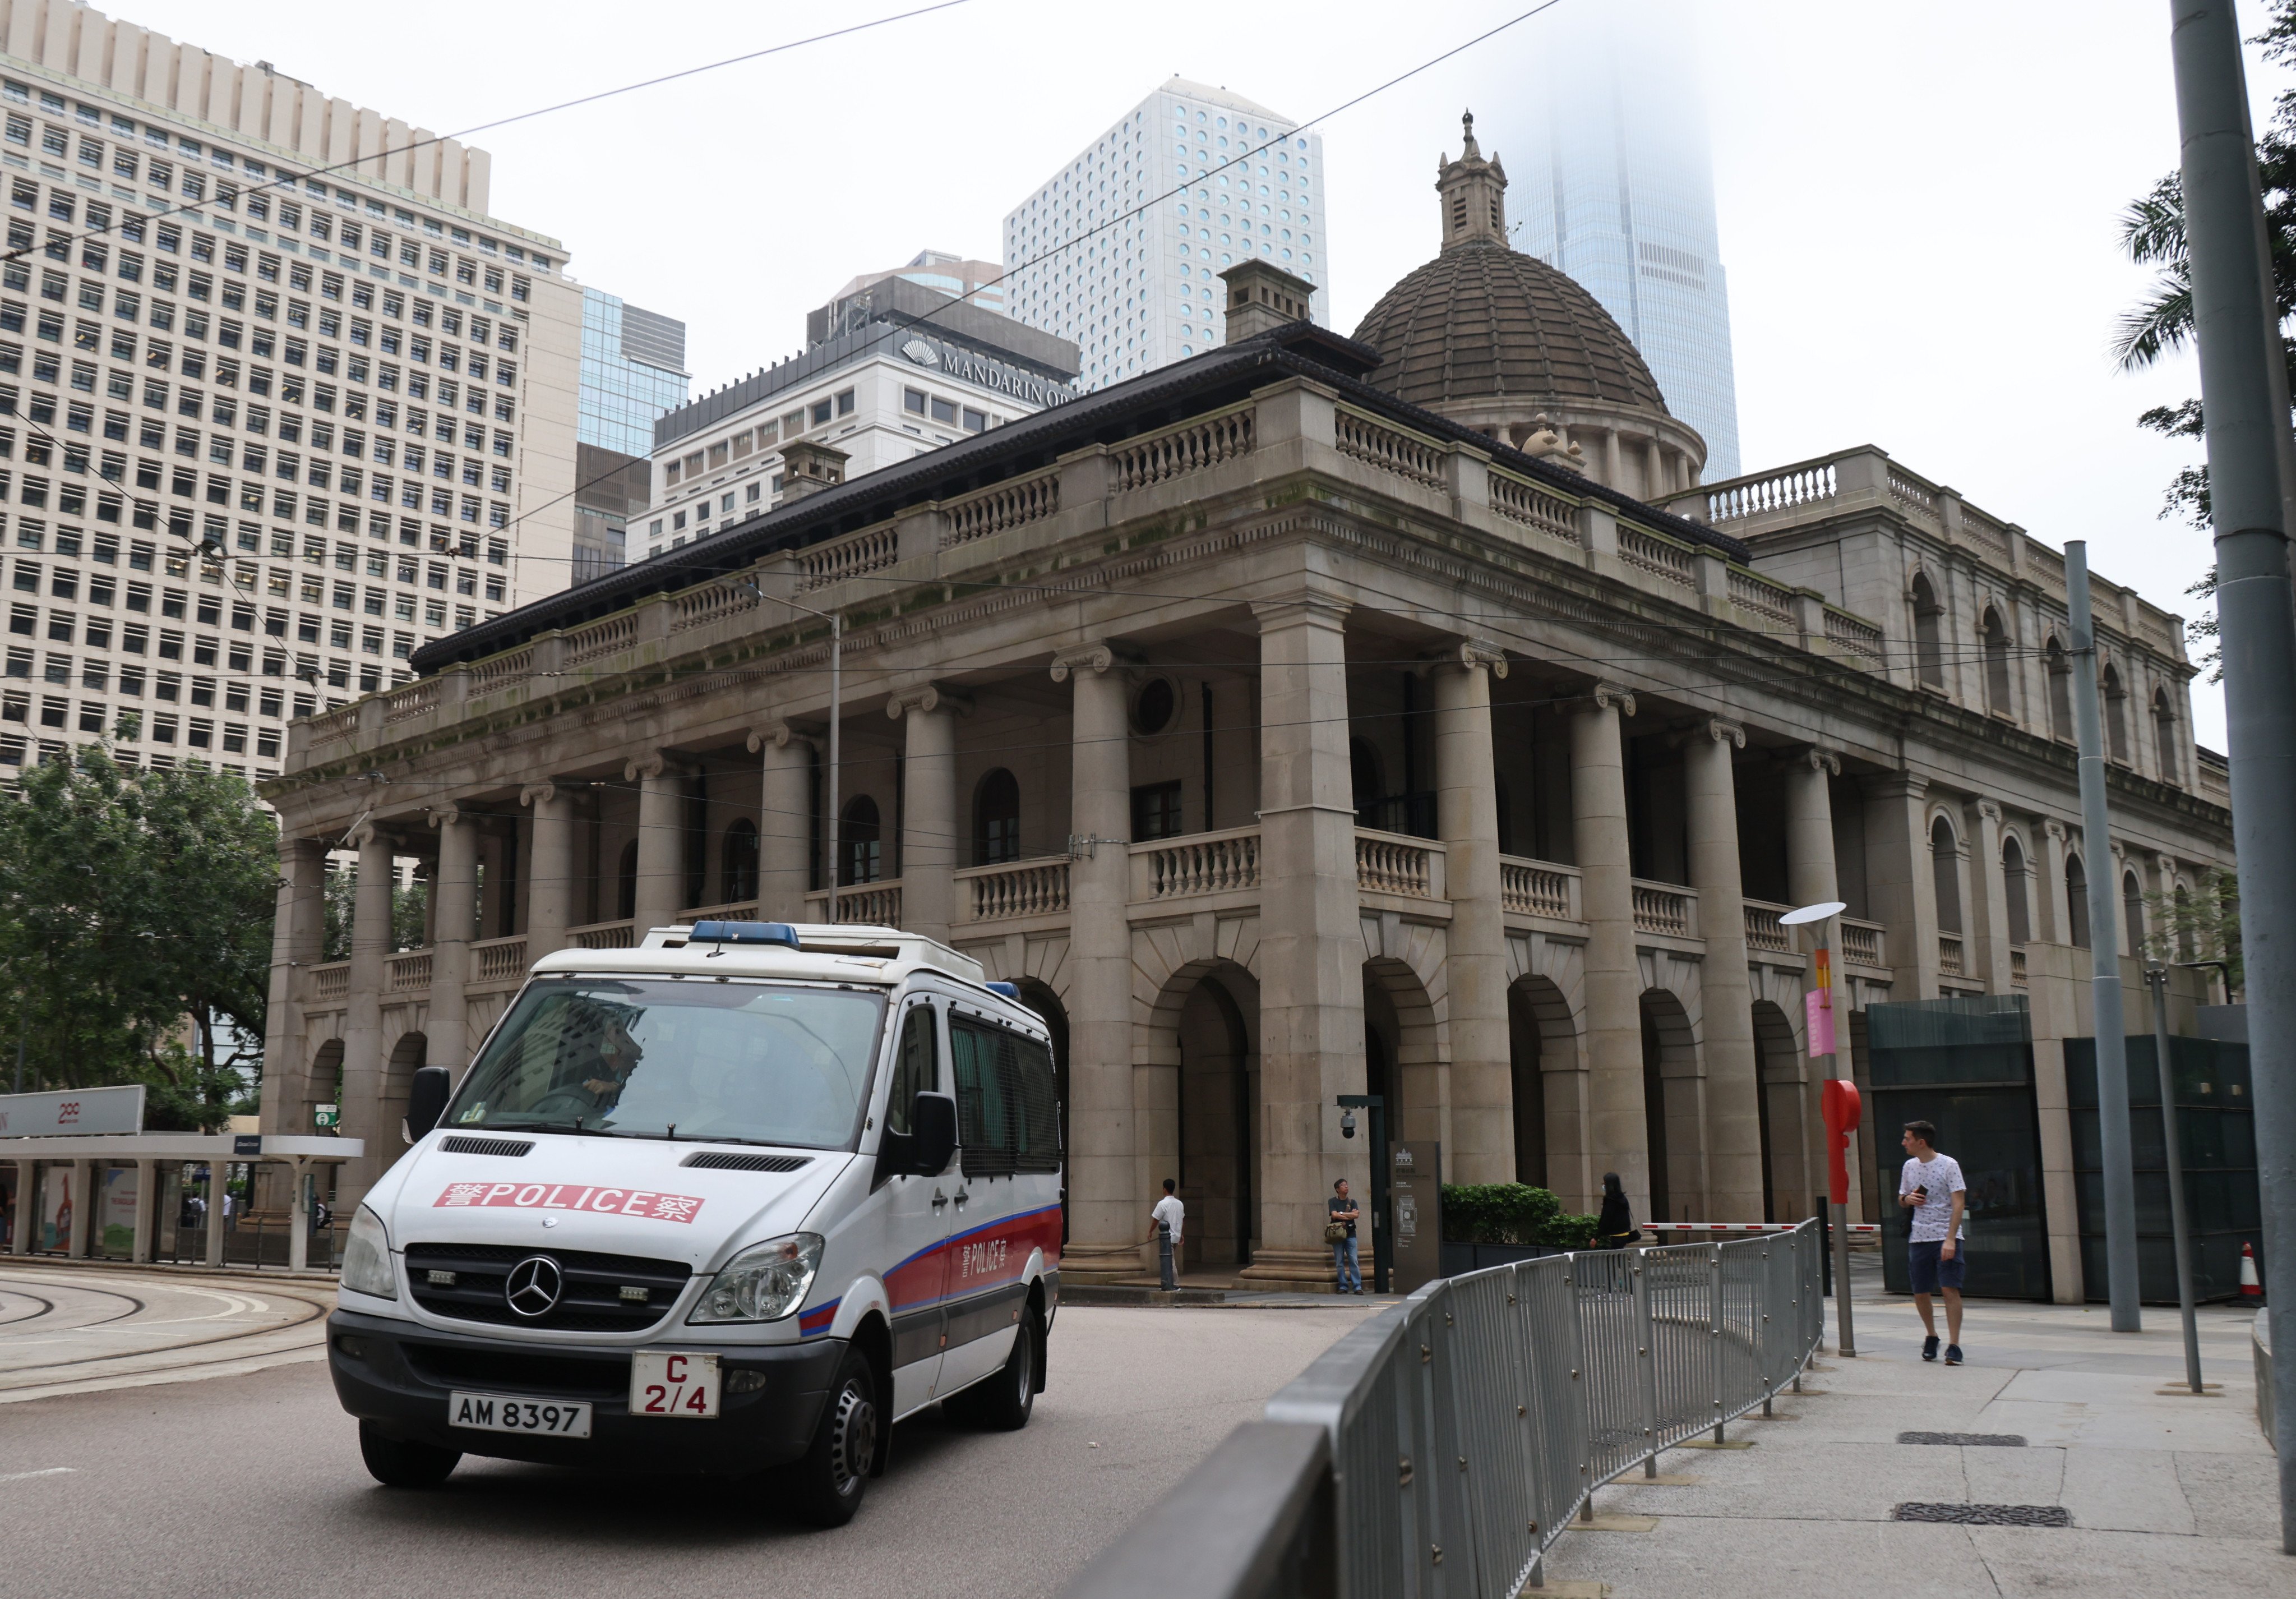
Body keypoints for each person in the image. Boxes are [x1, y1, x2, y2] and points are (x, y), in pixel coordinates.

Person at [1898, 1119, 1968, 1365]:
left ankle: (1955, 1345)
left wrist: (1951, 1239)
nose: (1904, 1142)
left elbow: (1959, 1204)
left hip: (1944, 1236)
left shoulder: (1949, 1165)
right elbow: (1901, 1198)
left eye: (1907, 1138)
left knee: (1950, 1288)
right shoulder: (1909, 1166)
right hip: (1919, 1237)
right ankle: (1931, 1335)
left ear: (1921, 1142)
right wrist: (1908, 1200)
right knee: (1920, 1291)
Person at [1145, 1178, 1184, 1291]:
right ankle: (1168, 1282)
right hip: (1176, 1235)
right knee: (1169, 1259)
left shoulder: (1163, 1204)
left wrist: (1150, 1231)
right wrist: (1181, 1234)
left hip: (1167, 1237)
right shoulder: (1180, 1203)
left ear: (1164, 1189)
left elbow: (1156, 1220)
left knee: (1169, 1261)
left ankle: (1175, 1284)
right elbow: (1182, 1219)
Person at [1329, 1178, 1363, 1293]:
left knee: (1353, 1260)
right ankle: (1343, 1286)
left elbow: (1356, 1215)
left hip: (1351, 1234)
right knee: (1339, 1262)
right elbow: (1334, 1215)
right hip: (1337, 1235)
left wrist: (1341, 1214)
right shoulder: (1332, 1201)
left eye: (1347, 1185)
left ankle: (1357, 1286)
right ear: (1338, 1189)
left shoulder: (1352, 1201)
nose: (1346, 1187)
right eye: (1343, 1185)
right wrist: (1350, 1215)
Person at [1596, 1172, 1641, 1248]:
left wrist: (1596, 1237)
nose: (1603, 1185)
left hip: (1615, 1236)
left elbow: (1606, 1219)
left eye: (1605, 1183)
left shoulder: (1610, 1200)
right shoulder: (1623, 1198)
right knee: (1619, 1258)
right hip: (1625, 1234)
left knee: (1613, 1259)